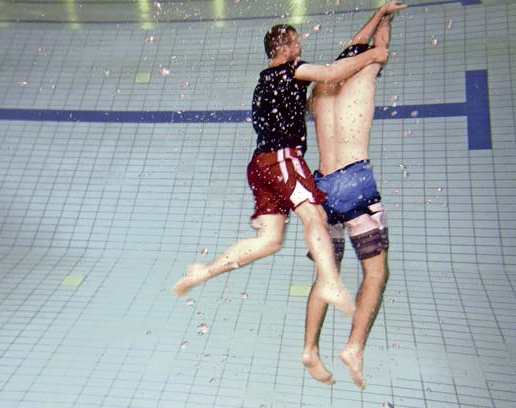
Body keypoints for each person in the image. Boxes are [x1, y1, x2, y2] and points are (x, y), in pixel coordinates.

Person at [172, 23, 389, 318]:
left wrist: (377, 18)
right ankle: (329, 282)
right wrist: (374, 54)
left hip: (260, 165)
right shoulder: (291, 70)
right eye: (296, 43)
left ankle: (204, 271)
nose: (300, 48)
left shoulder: (265, 79)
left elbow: (335, 66)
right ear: (284, 48)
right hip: (282, 159)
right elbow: (332, 72)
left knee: (270, 240)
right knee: (315, 215)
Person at [302, 1, 407, 390]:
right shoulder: (366, 75)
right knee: (376, 272)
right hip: (355, 184)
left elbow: (353, 47)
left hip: (321, 188)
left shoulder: (320, 87)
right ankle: (354, 347)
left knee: (326, 276)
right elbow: (376, 46)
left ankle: (310, 349)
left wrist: (379, 11)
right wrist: (388, 21)